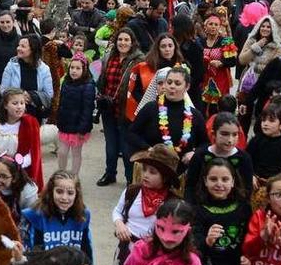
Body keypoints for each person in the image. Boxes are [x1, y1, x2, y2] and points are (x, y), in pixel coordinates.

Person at [127, 66, 208, 172]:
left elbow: (206, 144)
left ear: (187, 87)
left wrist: (194, 153)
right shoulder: (150, 108)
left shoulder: (195, 115)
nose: (172, 86)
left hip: (181, 173)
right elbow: (132, 133)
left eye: (177, 83)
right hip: (153, 170)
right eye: (169, 82)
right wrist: (149, 149)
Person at [96, 28, 145, 186]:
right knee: (110, 145)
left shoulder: (138, 61)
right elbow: (102, 79)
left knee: (126, 147)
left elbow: (141, 86)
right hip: (108, 108)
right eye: (120, 40)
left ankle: (130, 178)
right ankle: (110, 173)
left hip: (126, 110)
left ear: (132, 43)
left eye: (126, 40)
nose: (122, 43)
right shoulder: (109, 57)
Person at [184, 112, 254, 203]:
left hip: (233, 206)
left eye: (234, 134)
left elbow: (247, 190)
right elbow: (190, 186)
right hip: (202, 204)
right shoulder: (200, 155)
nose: (230, 140)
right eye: (224, 134)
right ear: (213, 134)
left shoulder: (244, 158)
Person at [123, 33, 185, 123]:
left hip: (176, 113)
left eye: (170, 46)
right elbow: (136, 92)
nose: (167, 49)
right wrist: (152, 106)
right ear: (158, 49)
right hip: (151, 114)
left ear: (175, 48)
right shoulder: (146, 67)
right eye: (163, 46)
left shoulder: (183, 67)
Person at [0, 88, 44, 190]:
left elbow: (33, 153)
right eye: (15, 103)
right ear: (5, 105)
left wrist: (17, 165)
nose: (19, 107)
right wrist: (0, 162)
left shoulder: (30, 124)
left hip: (21, 173)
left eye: (22, 103)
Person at [56, 53, 96, 175]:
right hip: (65, 124)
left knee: (76, 153)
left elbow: (87, 109)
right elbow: (61, 102)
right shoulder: (66, 82)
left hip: (78, 127)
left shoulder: (88, 86)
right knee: (62, 152)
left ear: (84, 70)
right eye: (72, 68)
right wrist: (58, 118)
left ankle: (74, 176)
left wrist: (82, 129)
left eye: (78, 68)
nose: (74, 71)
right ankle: (61, 173)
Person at [201, 14, 238, 116]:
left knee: (218, 106)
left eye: (216, 25)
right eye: (211, 24)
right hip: (204, 79)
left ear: (219, 27)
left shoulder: (225, 42)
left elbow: (233, 61)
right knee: (203, 106)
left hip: (220, 79)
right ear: (205, 26)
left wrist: (221, 63)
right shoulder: (200, 41)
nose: (213, 27)